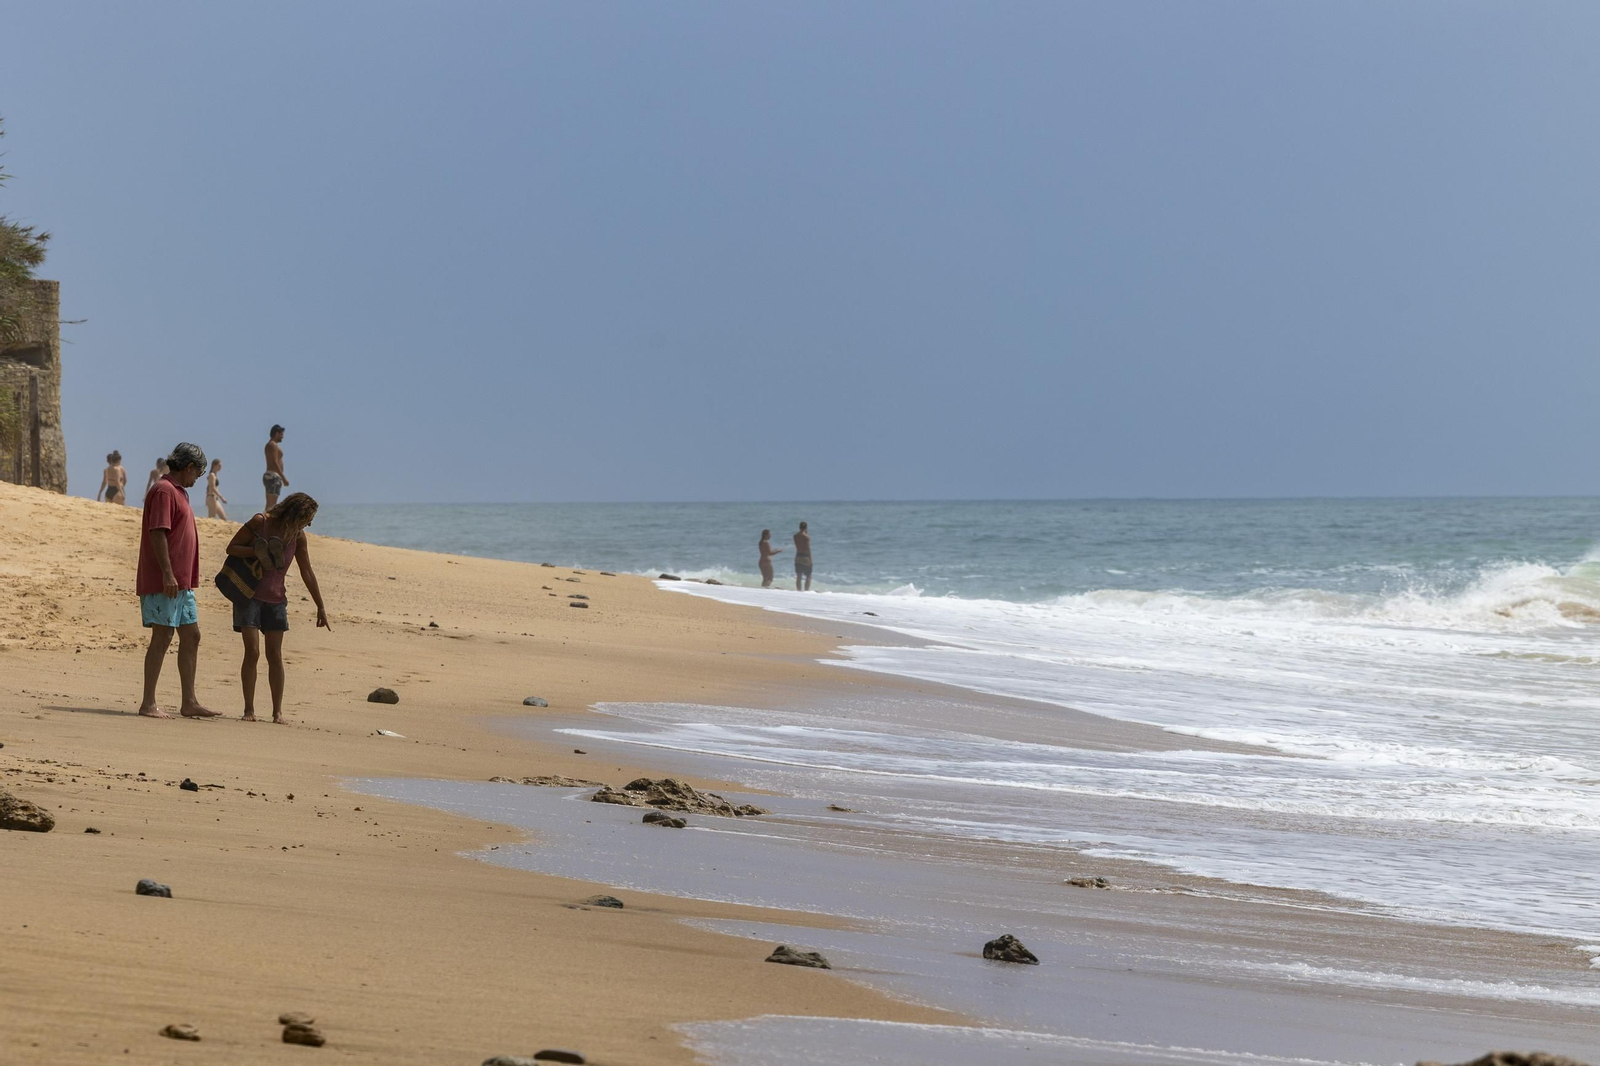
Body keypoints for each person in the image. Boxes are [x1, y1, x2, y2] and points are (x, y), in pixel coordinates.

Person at [224, 492, 330, 723]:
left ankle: (277, 712)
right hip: (248, 595)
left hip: (276, 599)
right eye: (306, 518)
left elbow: (307, 571)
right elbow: (231, 548)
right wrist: (258, 552)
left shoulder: (298, 536)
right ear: (295, 513)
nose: (309, 523)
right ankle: (249, 710)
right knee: (252, 652)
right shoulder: (260, 522)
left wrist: (320, 606)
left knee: (275, 656)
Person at [135, 443, 220, 719]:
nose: (198, 478)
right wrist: (168, 573)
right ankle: (148, 703)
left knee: (191, 635)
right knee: (162, 635)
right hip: (165, 581)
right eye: (198, 472)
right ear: (188, 467)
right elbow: (158, 532)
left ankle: (189, 701)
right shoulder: (164, 490)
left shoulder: (179, 491)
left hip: (182, 583)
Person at [263, 424, 288, 509]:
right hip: (273, 476)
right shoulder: (272, 445)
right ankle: (265, 521)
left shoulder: (273, 445)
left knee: (271, 504)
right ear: (277, 433)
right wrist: (283, 477)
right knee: (271, 505)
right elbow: (274, 462)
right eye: (281, 434)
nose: (282, 437)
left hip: (273, 476)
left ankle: (265, 521)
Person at [793, 521, 813, 591]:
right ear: (806, 528)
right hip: (805, 556)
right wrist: (810, 559)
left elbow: (797, 545)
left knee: (799, 576)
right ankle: (806, 590)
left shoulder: (795, 536)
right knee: (808, 575)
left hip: (798, 555)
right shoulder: (806, 537)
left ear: (799, 527)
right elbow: (808, 548)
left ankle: (798, 590)